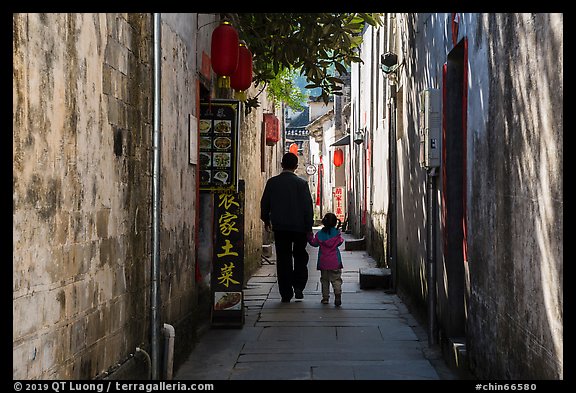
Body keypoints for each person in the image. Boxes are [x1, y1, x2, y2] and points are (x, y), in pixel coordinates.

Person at [260, 152, 314, 303]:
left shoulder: (272, 182)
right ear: (296, 167)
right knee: (300, 256)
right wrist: (308, 227)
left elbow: (264, 204)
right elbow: (307, 207)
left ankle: (285, 293)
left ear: (281, 164)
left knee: (283, 259)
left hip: (281, 227)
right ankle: (298, 286)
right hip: (299, 228)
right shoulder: (301, 184)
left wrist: (266, 220)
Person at [307, 212, 344, 306]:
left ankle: (325, 298)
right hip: (335, 261)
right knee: (336, 280)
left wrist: (309, 236)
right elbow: (340, 242)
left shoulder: (319, 234)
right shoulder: (336, 234)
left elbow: (314, 243)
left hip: (323, 262)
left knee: (324, 280)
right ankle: (338, 294)